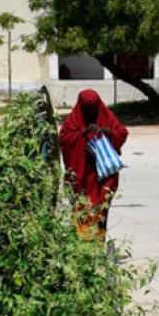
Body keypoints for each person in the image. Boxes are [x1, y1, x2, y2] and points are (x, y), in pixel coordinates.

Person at [59, 89, 129, 242]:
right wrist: (82, 134)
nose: (90, 112)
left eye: (93, 108)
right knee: (82, 209)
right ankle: (81, 246)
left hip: (103, 178)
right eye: (86, 109)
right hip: (82, 175)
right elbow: (64, 139)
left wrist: (109, 133)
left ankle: (96, 245)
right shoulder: (74, 120)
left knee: (99, 211)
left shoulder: (107, 116)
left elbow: (122, 132)